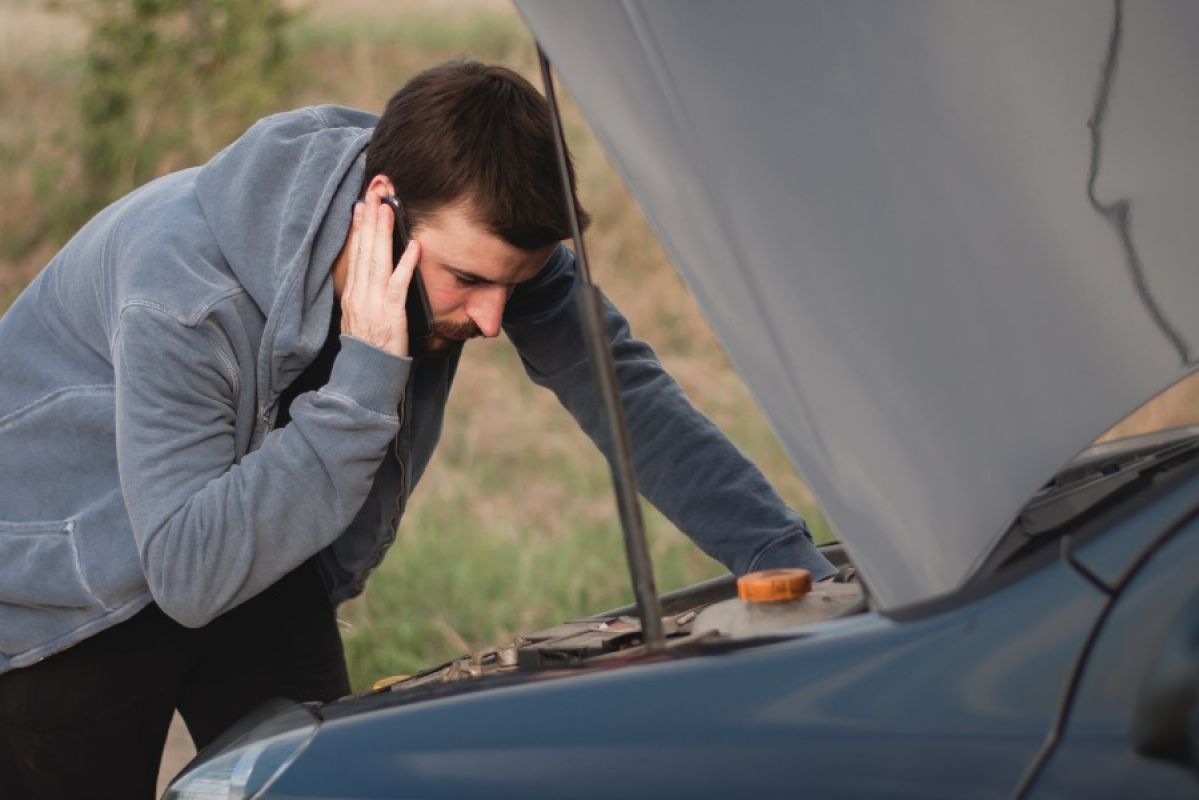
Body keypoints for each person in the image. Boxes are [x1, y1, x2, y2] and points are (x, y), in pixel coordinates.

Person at [0, 61, 835, 796]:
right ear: (381, 207)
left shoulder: (473, 234)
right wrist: (366, 374)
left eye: (517, 283)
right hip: (67, 593)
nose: (493, 316)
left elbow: (631, 400)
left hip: (251, 549)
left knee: (329, 785)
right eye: (468, 280)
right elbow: (186, 573)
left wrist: (782, 560)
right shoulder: (184, 290)